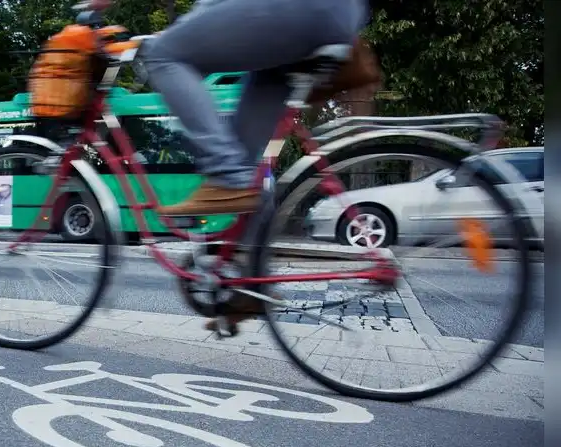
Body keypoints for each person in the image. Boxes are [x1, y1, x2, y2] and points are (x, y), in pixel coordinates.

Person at [88, 0, 375, 334]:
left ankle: (226, 175)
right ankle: (248, 286)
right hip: (333, 15)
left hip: (302, 10)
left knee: (164, 54)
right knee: (247, 167)